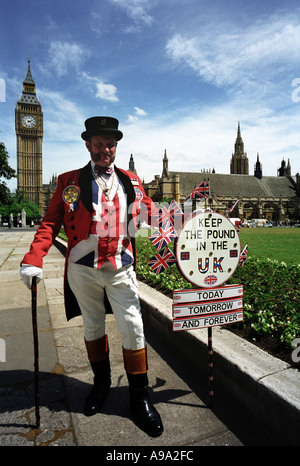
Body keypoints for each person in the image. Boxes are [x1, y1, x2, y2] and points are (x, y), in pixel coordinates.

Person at [20, 116, 163, 438]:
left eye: (110, 144)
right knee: (92, 324)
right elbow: (49, 223)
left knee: (133, 325)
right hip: (82, 266)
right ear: (88, 145)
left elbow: (154, 213)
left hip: (121, 265)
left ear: (116, 146)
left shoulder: (132, 181)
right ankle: (100, 385)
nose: (105, 150)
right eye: (99, 144)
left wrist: (199, 223)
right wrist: (34, 259)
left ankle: (139, 397)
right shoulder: (69, 181)